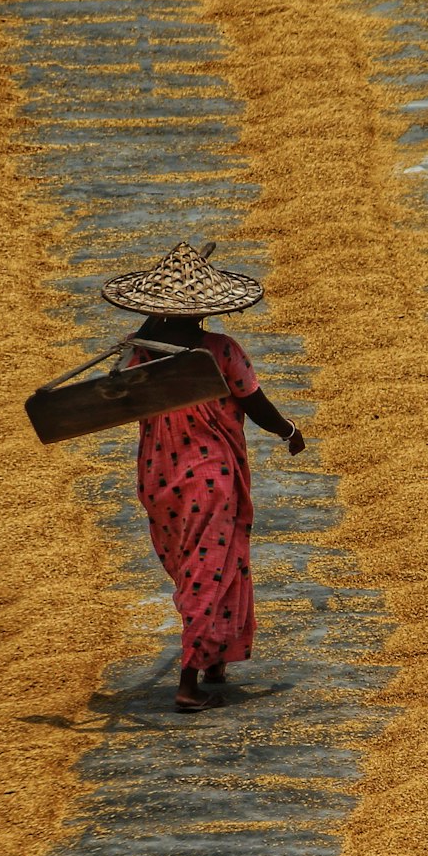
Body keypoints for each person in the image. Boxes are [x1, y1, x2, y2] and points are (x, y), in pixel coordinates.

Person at [102, 241, 304, 711]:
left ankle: (216, 660)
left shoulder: (142, 356)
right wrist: (289, 431)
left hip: (159, 478)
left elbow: (116, 398)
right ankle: (188, 681)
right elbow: (256, 404)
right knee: (209, 569)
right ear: (204, 312)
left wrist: (147, 333)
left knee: (204, 563)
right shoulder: (221, 351)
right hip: (210, 477)